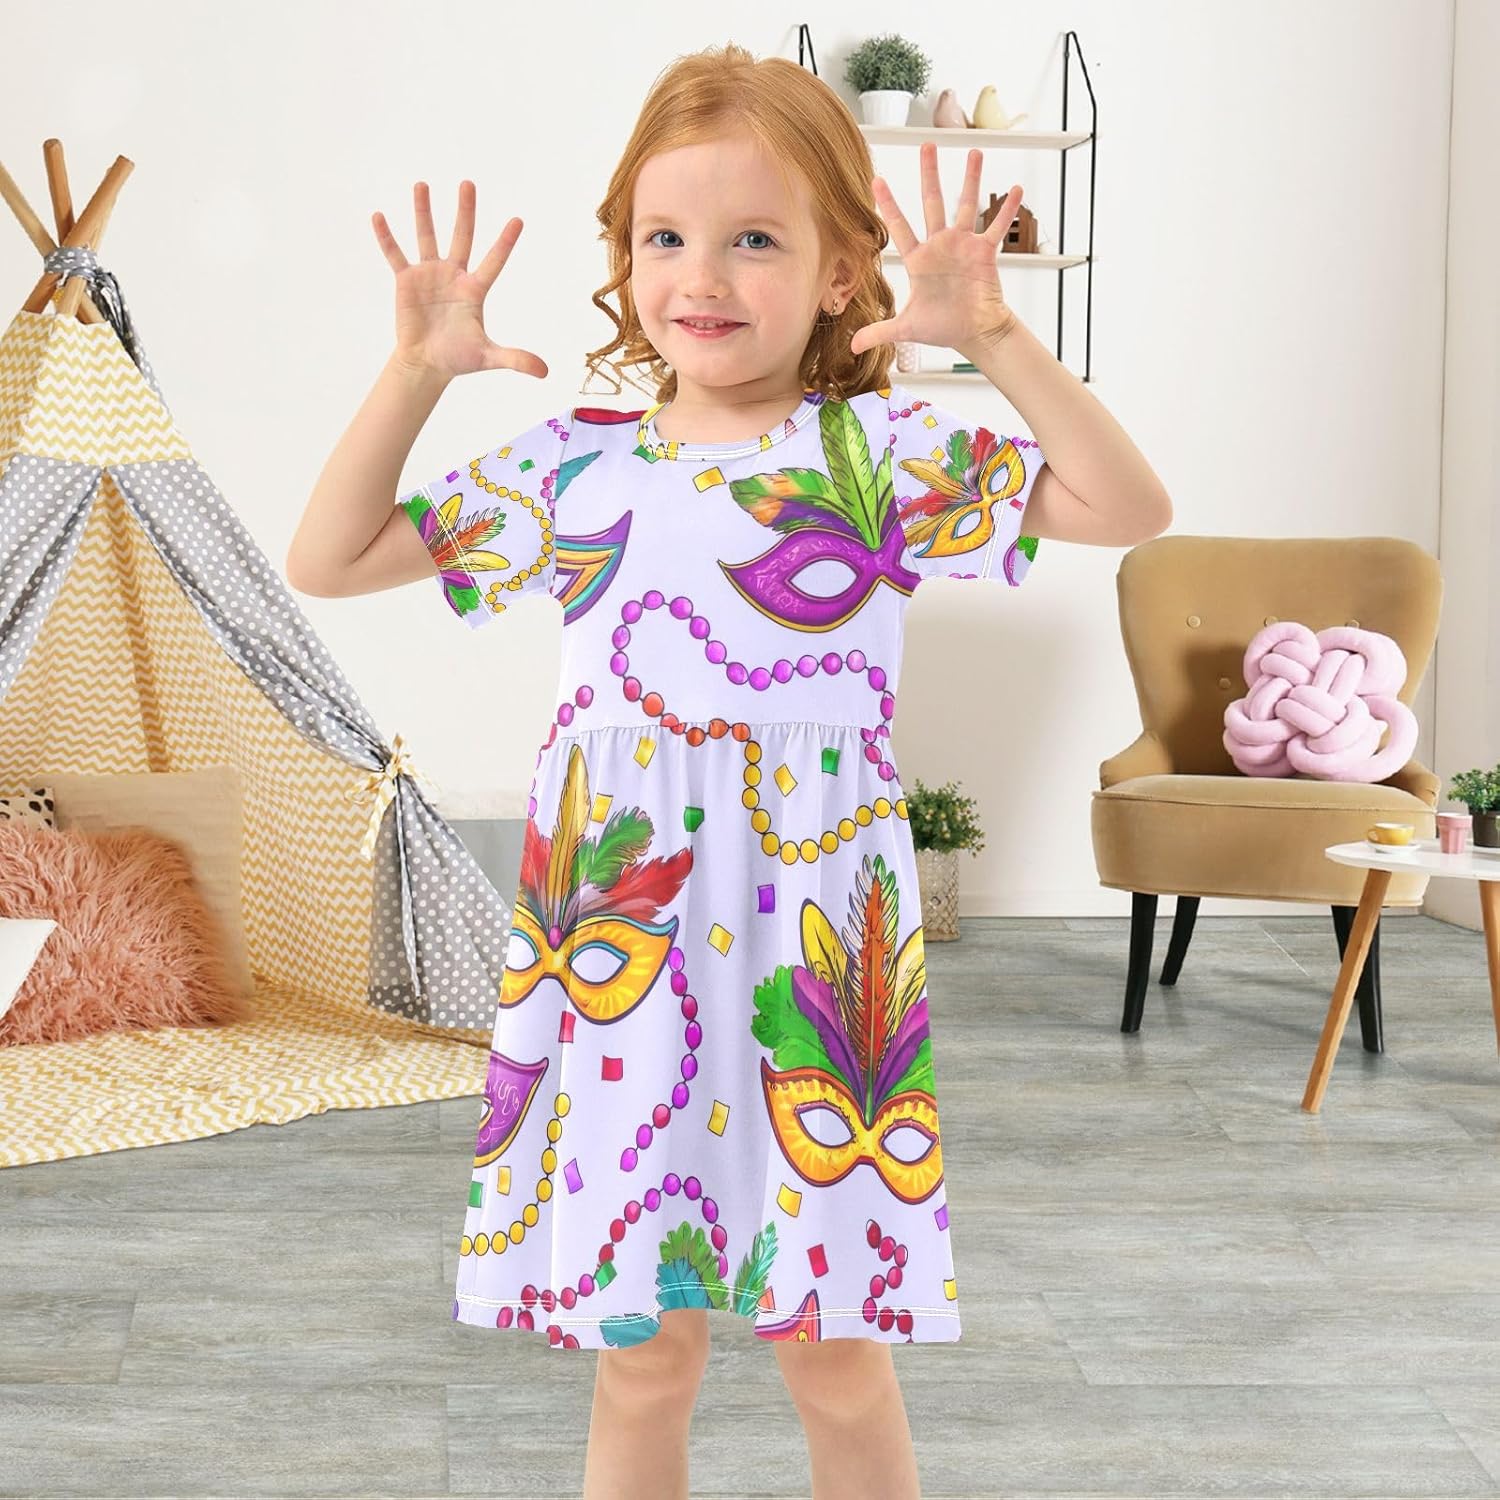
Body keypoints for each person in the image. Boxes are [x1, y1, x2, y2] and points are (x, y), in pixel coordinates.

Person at [287, 40, 1171, 1500]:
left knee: (835, 1352)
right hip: (623, 955)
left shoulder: (878, 454)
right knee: (644, 1355)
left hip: (814, 950)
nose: (701, 275)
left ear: (839, 272)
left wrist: (998, 338)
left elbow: (1126, 503)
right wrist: (415, 373)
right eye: (665, 238)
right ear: (626, 258)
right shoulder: (576, 465)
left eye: (754, 239)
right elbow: (330, 558)